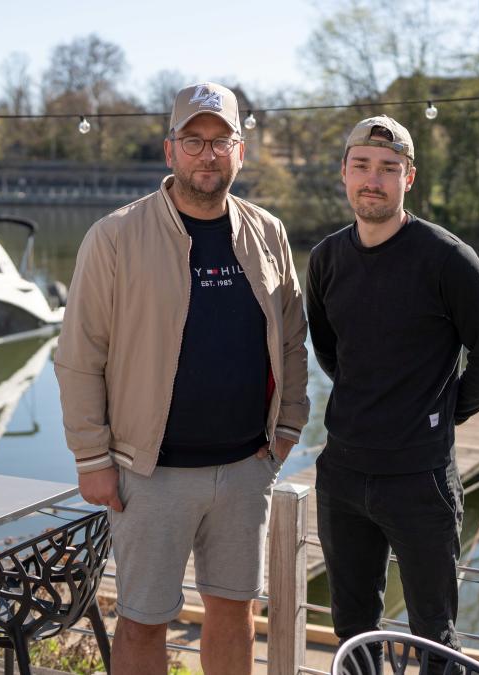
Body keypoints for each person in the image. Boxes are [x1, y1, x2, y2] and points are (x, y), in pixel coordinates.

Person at [55, 82, 309, 675]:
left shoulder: (268, 233)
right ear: (170, 152)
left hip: (246, 468)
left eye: (221, 141)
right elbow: (79, 354)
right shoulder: (115, 236)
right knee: (143, 622)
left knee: (235, 612)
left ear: (240, 152)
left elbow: (293, 339)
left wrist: (290, 423)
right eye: (193, 140)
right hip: (151, 474)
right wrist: (91, 457)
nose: (207, 154)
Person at [305, 114, 479, 669]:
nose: (373, 180)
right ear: (344, 173)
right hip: (342, 476)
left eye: (388, 169)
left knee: (435, 634)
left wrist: (441, 414)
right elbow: (329, 350)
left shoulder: (447, 259)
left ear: (409, 178)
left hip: (420, 480)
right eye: (362, 166)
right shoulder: (327, 258)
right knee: (351, 628)